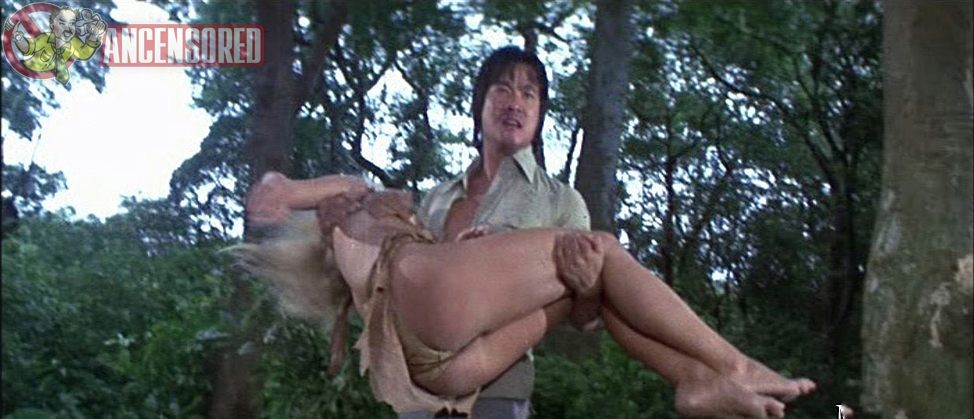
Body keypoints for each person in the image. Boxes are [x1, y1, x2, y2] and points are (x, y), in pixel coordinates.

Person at [237, 172, 816, 419]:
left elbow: (429, 293)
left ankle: (693, 380)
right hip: (436, 319)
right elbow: (289, 188)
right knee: (601, 247)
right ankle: (731, 364)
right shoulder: (353, 208)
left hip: (441, 368)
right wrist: (279, 189)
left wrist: (463, 254)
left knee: (586, 283)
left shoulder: (361, 261)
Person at [414, 45, 598, 419]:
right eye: (502, 88)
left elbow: (584, 319)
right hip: (418, 388)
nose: (515, 103)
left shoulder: (562, 201)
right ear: (479, 104)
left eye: (528, 94)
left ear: (540, 114)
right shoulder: (434, 199)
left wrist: (590, 289)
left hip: (501, 386)